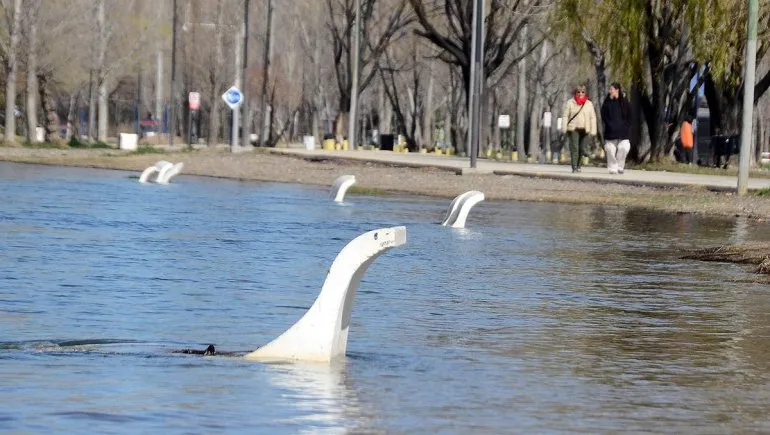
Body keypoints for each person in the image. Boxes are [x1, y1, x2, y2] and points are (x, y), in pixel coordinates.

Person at [561, 85, 597, 173]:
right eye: (578, 92)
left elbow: (593, 117)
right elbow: (565, 116)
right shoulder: (570, 102)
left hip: (585, 129)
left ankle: (579, 165)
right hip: (573, 128)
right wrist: (564, 127)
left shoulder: (589, 103)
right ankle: (574, 167)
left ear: (585, 93)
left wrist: (593, 130)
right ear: (575, 92)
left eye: (582, 92)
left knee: (582, 148)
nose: (580, 94)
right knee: (575, 148)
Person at [600, 82, 632, 174]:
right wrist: (608, 124)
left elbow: (630, 116)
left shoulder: (625, 101)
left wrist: (626, 126)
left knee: (624, 148)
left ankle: (620, 166)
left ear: (617, 90)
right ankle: (612, 167)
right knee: (610, 149)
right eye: (609, 89)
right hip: (610, 132)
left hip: (623, 132)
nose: (610, 91)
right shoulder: (607, 102)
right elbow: (603, 115)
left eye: (611, 89)